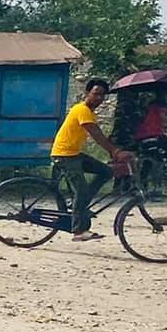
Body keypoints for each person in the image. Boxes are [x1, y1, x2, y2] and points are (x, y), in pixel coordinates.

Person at [50, 77, 128, 240]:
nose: (98, 98)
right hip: (64, 155)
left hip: (74, 154)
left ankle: (82, 204)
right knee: (82, 189)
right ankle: (78, 230)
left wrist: (114, 151)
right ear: (87, 93)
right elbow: (96, 134)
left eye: (102, 96)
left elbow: (99, 135)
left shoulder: (90, 112)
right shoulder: (82, 110)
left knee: (106, 172)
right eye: (96, 94)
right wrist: (114, 151)